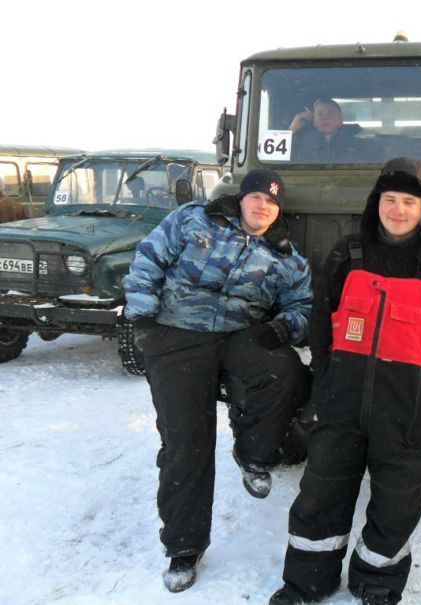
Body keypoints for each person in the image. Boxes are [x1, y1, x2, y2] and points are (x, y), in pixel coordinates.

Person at [269, 157, 421, 605]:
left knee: (395, 505)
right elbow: (322, 322)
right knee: (320, 496)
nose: (398, 210)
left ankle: (377, 582)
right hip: (342, 404)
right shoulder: (348, 254)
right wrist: (324, 377)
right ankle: (307, 582)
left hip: (407, 412)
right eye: (390, 199)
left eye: (408, 201)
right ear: (376, 202)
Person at [123, 169, 313, 593]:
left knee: (288, 374)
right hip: (178, 331)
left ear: (278, 211)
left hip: (236, 335)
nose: (262, 206)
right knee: (185, 441)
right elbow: (149, 258)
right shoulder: (195, 219)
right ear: (242, 199)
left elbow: (302, 307)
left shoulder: (286, 257)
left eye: (272, 202)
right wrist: (141, 319)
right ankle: (183, 546)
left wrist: (283, 329)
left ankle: (254, 454)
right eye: (257, 197)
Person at [289, 97, 366, 162]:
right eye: (320, 114)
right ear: (314, 120)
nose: (325, 118)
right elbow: (278, 161)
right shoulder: (298, 144)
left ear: (340, 120)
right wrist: (291, 131)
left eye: (330, 114)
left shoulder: (359, 144)